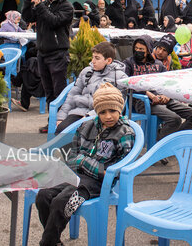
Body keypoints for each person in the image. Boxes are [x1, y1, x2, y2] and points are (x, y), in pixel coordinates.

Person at [35, 83, 135, 246]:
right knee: (43, 196)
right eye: (102, 112)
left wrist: (84, 162)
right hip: (74, 174)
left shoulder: (125, 133)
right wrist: (79, 162)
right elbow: (71, 154)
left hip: (97, 183)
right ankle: (54, 241)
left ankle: (47, 243)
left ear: (120, 109)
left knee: (61, 201)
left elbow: (118, 168)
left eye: (113, 111)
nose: (108, 116)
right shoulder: (86, 126)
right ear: (97, 112)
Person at [124, 35, 192, 142]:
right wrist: (149, 95)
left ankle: (169, 139)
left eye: (141, 49)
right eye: (136, 48)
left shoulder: (158, 65)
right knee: (174, 119)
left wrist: (167, 95)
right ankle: (157, 145)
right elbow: (126, 84)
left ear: (148, 50)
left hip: (162, 99)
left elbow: (169, 83)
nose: (138, 51)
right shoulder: (129, 63)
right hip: (143, 101)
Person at [22, 0, 74, 123]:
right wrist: (27, 1)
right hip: (42, 53)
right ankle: (52, 122)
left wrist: (39, 6)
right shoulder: (45, 4)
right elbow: (28, 18)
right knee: (49, 92)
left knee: (59, 92)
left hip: (58, 54)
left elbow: (53, 21)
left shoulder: (66, 7)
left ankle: (61, 123)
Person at [56, 42, 127, 133]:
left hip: (103, 115)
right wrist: (61, 117)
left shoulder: (120, 77)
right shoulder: (86, 72)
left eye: (97, 58)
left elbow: (119, 103)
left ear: (108, 61)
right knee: (62, 130)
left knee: (86, 133)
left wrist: (90, 115)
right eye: (93, 57)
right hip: (79, 112)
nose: (93, 61)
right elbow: (72, 95)